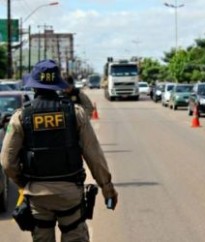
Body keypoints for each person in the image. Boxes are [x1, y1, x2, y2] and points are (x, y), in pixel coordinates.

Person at [0, 59, 118, 242]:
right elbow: (94, 156)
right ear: (57, 86)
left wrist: (24, 183)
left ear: (34, 87)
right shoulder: (75, 113)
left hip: (38, 196)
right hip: (70, 194)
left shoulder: (20, 117)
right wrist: (107, 188)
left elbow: (7, 162)